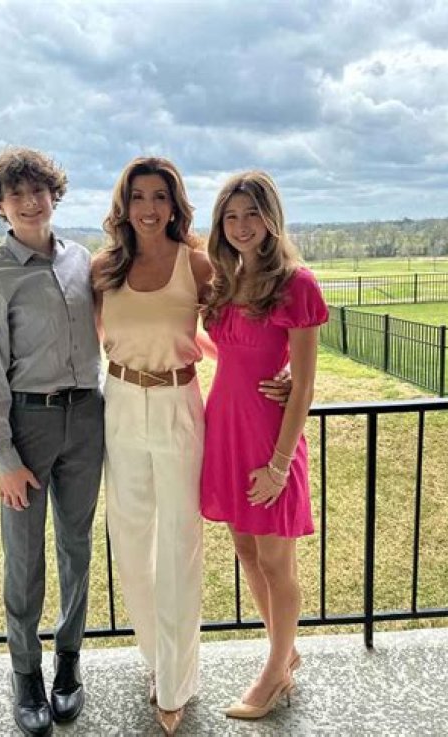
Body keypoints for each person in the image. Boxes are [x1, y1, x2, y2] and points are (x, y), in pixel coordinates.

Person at [0, 147, 103, 737]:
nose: (29, 201)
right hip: (28, 423)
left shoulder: (82, 261)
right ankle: (25, 674)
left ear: (54, 194)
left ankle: (69, 661)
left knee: (77, 546)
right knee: (23, 559)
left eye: (38, 190)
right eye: (15, 194)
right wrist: (4, 458)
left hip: (87, 417)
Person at [200, 170, 328, 720]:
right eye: (231, 216)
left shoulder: (297, 284)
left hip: (269, 439)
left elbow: (305, 386)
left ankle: (274, 674)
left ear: (271, 216)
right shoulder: (225, 281)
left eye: (252, 213)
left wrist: (279, 465)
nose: (242, 225)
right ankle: (284, 651)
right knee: (247, 552)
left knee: (277, 562)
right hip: (225, 431)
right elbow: (230, 350)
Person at [91, 156, 211, 736]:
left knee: (181, 542)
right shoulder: (103, 268)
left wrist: (282, 371)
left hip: (178, 402)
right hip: (119, 403)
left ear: (174, 204)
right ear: (124, 204)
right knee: (132, 542)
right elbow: (81, 339)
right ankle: (155, 660)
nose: (148, 207)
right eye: (138, 196)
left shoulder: (198, 264)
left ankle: (176, 682)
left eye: (159, 196)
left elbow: (244, 321)